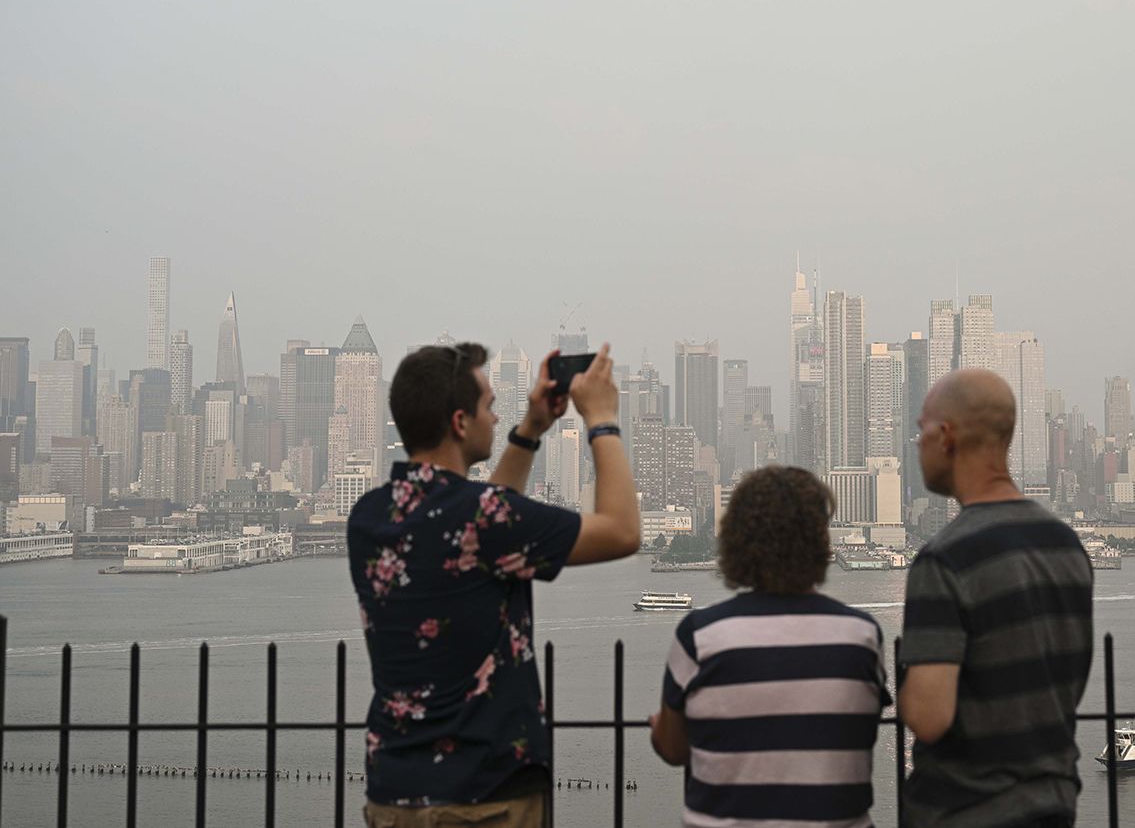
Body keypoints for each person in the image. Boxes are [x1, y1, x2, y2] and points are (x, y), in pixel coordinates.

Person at [348, 342, 640, 827]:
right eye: (489, 405)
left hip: (393, 794)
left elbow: (484, 521)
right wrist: (602, 419)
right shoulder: (484, 519)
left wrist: (530, 430)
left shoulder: (369, 516)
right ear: (461, 423)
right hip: (484, 800)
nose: (496, 415)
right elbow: (623, 530)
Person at [898, 369, 1094, 828]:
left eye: (921, 429)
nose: (917, 443)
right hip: (1053, 804)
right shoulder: (1065, 544)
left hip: (966, 811)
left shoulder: (946, 558)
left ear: (945, 436)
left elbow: (928, 717)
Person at [649, 465, 891, 828]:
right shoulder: (860, 636)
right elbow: (859, 730)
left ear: (736, 542)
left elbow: (673, 748)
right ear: (819, 542)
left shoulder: (700, 636)